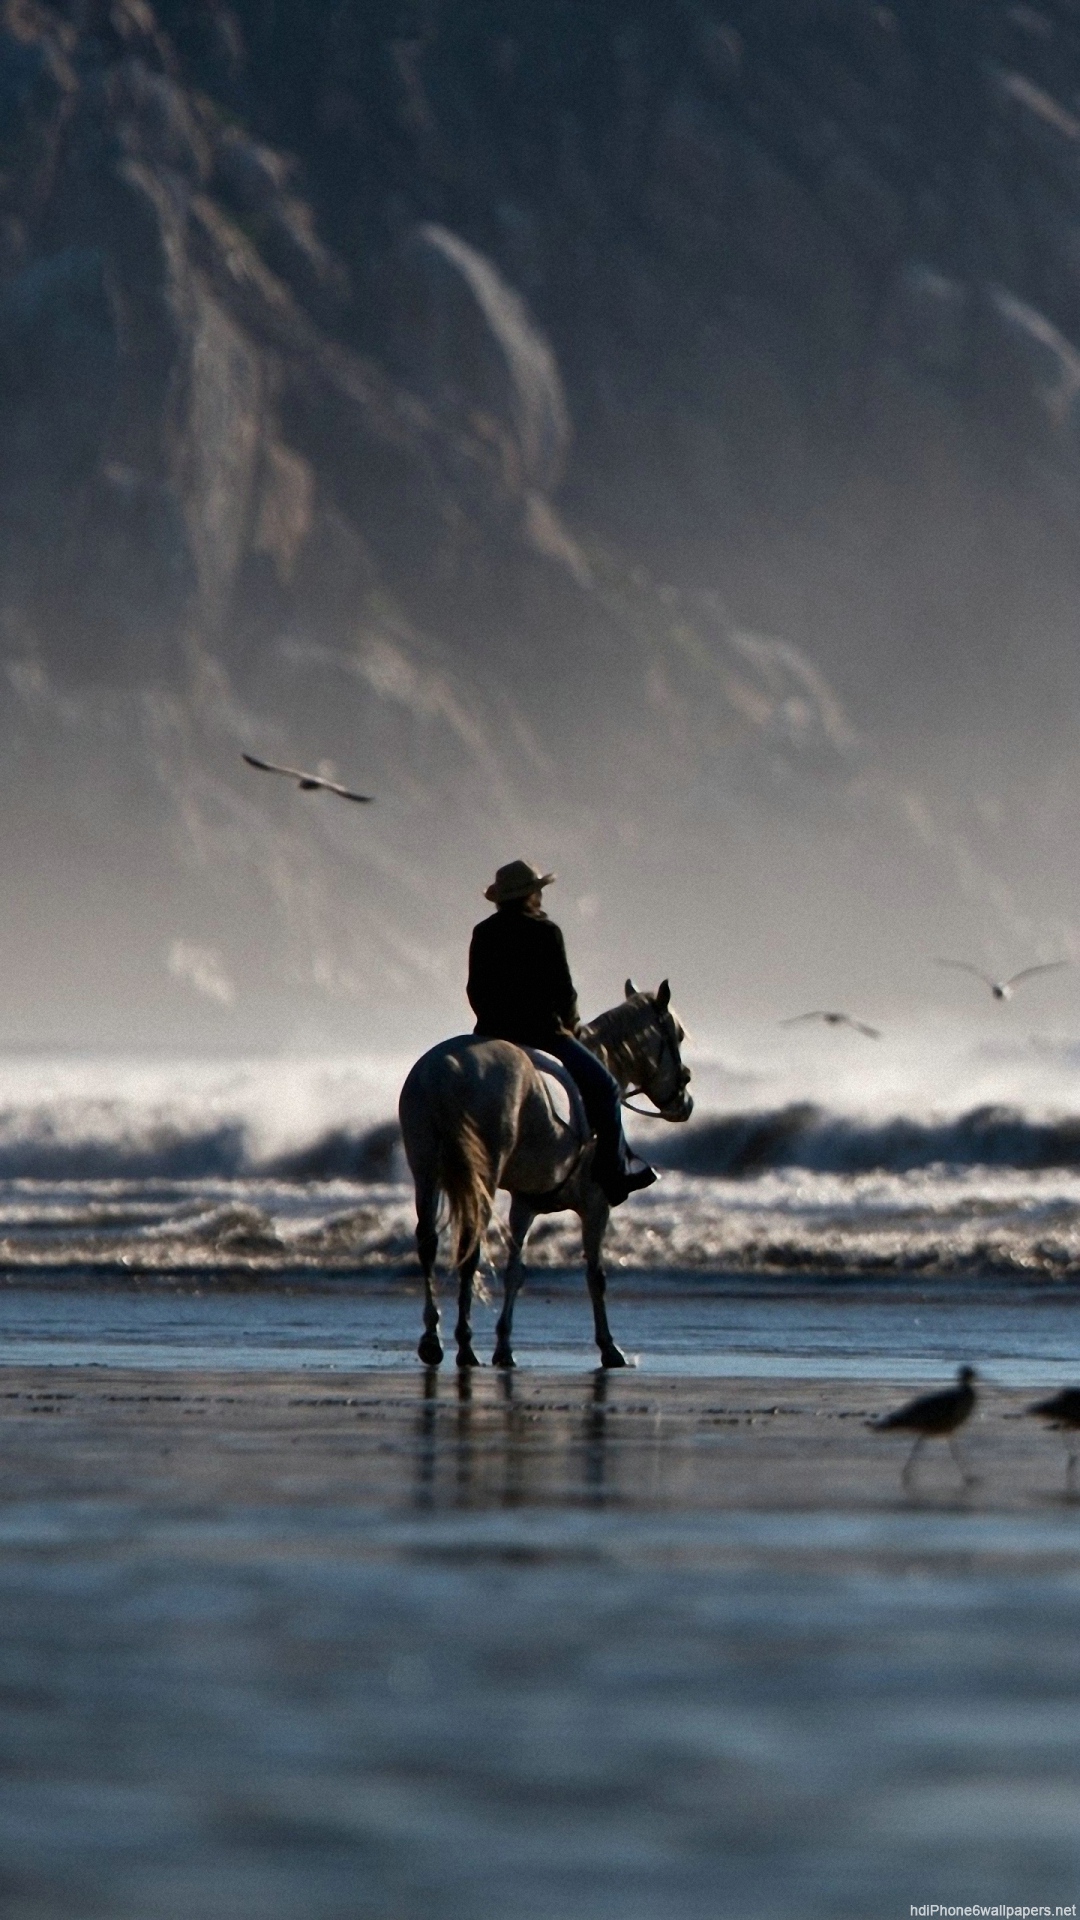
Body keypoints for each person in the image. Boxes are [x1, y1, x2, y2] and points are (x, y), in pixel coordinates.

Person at [467, 859, 657, 1206]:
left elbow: (475, 990)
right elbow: (563, 991)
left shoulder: (484, 932)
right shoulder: (545, 931)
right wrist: (571, 1026)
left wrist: (491, 1024)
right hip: (543, 1034)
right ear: (531, 895)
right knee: (606, 1087)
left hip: (490, 1036)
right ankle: (615, 1173)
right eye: (538, 890)